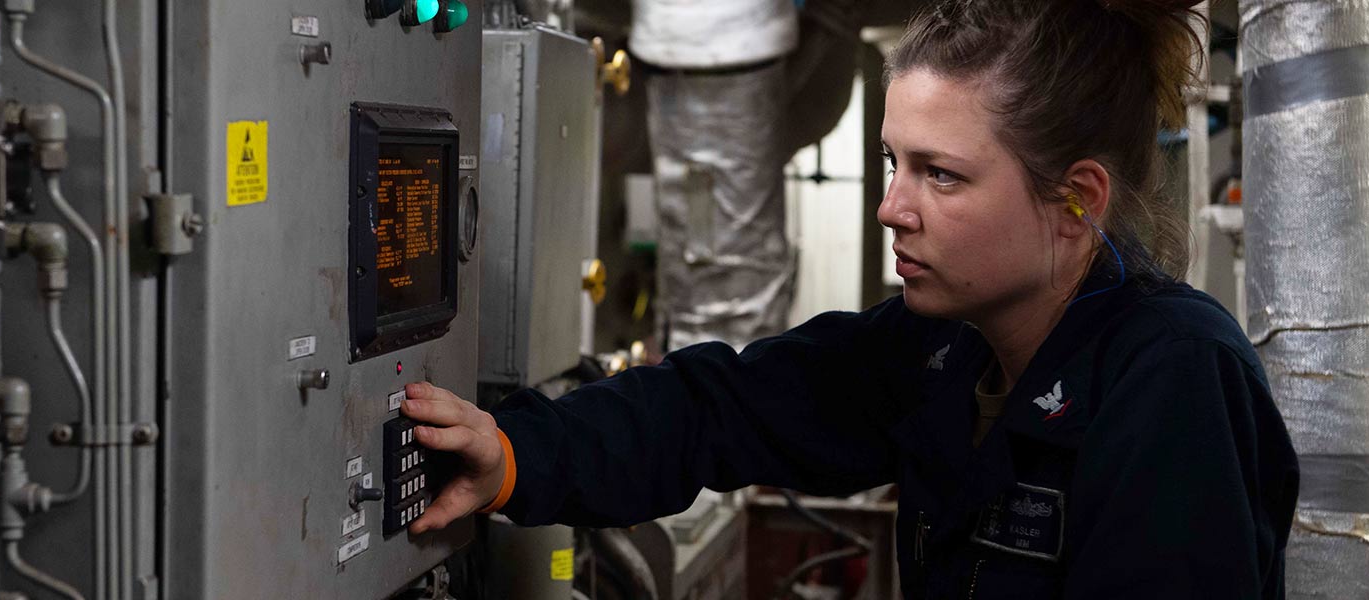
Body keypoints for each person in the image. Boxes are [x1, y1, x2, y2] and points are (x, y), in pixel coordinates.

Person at [398, 1, 1300, 597]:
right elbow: (720, 407)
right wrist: (514, 453)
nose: (891, 208)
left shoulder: (1175, 380)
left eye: (940, 175)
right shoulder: (944, 349)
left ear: (1076, 200)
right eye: (892, 162)